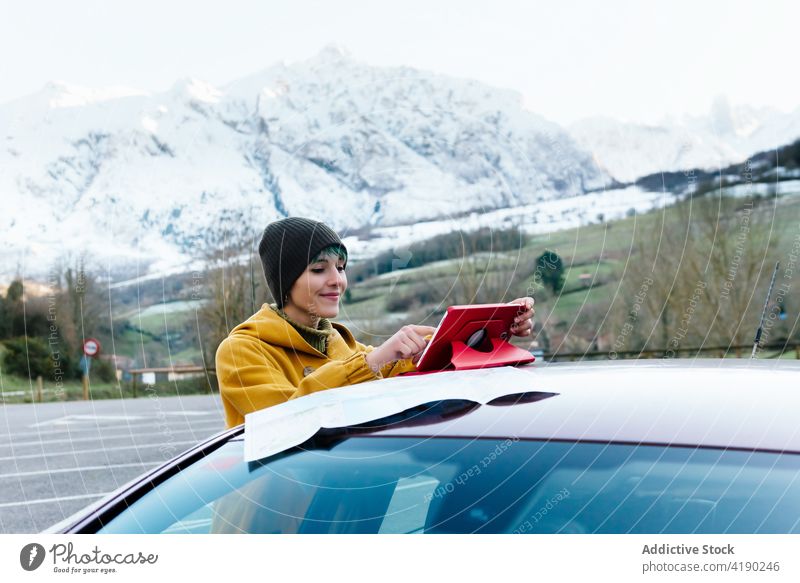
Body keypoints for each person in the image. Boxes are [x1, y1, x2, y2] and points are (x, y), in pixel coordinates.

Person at [215, 217, 535, 428]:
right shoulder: (241, 351)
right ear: (285, 281)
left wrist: (487, 331)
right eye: (318, 269)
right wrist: (372, 361)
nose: (336, 281)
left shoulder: (345, 347)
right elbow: (284, 423)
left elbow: (423, 368)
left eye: (341, 267)